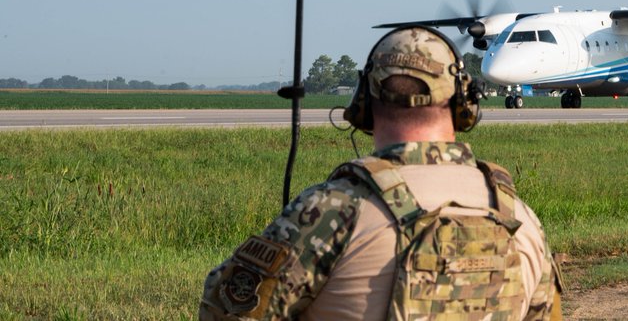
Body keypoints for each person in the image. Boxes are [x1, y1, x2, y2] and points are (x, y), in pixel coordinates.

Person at [200, 26, 562, 320]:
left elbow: (226, 311)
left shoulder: (329, 213)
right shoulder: (518, 218)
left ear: (362, 103)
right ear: (464, 103)